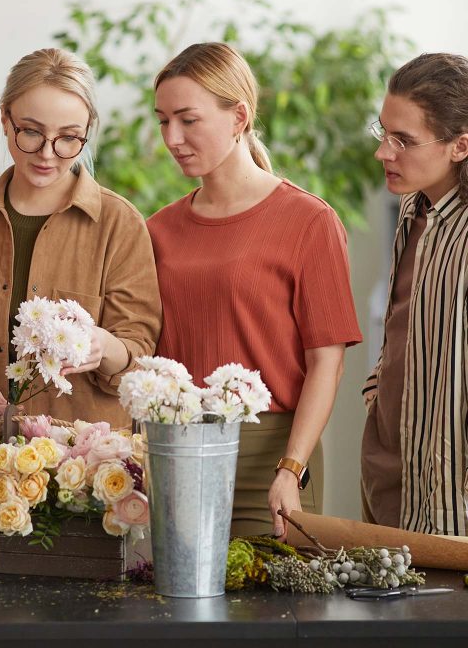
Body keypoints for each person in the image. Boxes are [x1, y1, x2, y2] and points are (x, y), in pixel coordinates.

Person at [0, 47, 162, 544]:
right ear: (5, 120)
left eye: (69, 138)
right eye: (31, 132)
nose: (48, 153)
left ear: (88, 131)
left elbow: (139, 347)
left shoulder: (119, 225)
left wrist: (104, 347)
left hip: (88, 479)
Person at [146, 42, 362, 538]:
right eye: (163, 121)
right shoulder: (156, 230)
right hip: (178, 455)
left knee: (269, 591)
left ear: (239, 117)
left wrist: (291, 468)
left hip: (274, 461)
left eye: (188, 120)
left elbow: (326, 363)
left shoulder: (309, 221)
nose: (172, 138)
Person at [361, 53, 468, 535]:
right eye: (383, 132)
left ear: (460, 146)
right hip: (390, 473)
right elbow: (401, 323)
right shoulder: (411, 210)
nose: (383, 153)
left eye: (403, 140)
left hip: (453, 497)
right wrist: (376, 391)